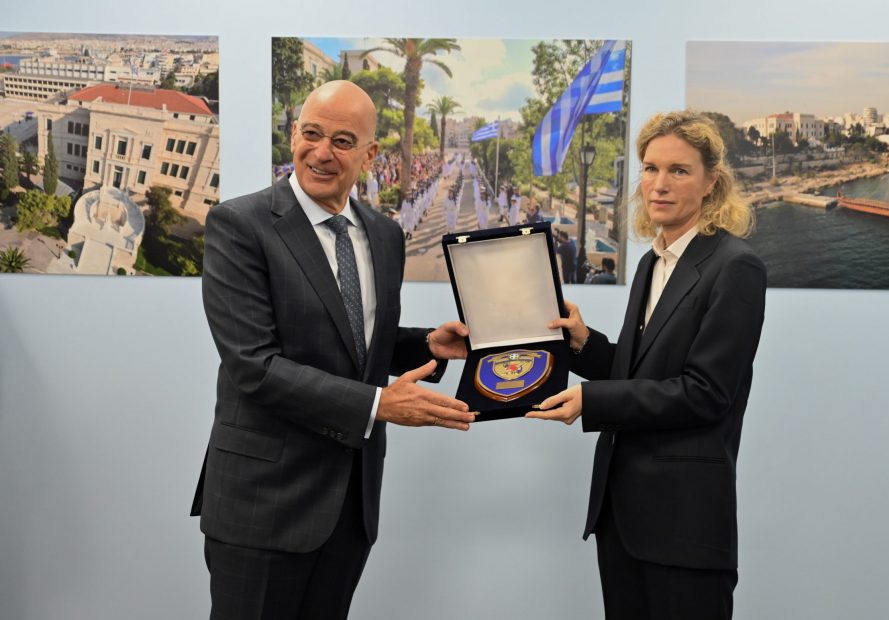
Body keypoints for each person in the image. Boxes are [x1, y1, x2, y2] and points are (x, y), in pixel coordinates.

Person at [191, 81, 476, 620]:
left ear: (370, 154)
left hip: (348, 506)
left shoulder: (384, 235)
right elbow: (255, 366)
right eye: (311, 134)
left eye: (342, 141)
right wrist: (379, 405)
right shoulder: (240, 225)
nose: (321, 152)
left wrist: (426, 345)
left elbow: (354, 339)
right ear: (293, 136)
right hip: (261, 505)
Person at [528, 110, 766, 620]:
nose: (659, 184)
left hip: (684, 525)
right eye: (651, 168)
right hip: (622, 519)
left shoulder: (735, 266)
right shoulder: (651, 262)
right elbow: (641, 373)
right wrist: (584, 342)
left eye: (678, 170)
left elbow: (705, 392)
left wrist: (591, 401)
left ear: (711, 182)